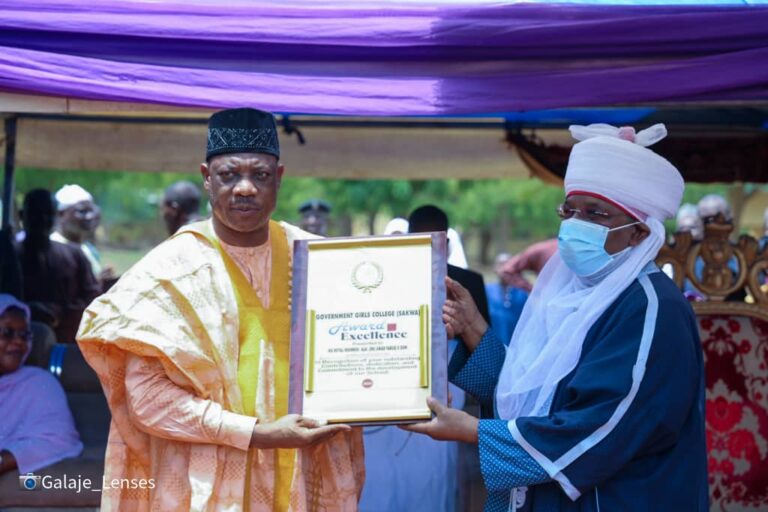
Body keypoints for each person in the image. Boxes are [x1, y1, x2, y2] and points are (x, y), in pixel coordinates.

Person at [405, 123, 708, 511]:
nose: (576, 224)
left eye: (595, 213)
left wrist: (476, 432)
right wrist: (474, 329)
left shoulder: (651, 308)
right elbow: (537, 397)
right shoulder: (571, 293)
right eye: (570, 210)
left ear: (638, 233)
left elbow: (602, 429)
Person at [77, 108, 363, 511]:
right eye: (229, 175)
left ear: (279, 177)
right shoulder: (168, 270)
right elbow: (148, 400)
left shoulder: (322, 259)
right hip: (205, 483)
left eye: (260, 175)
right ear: (206, 178)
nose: (245, 188)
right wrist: (256, 433)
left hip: (306, 472)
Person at [0, 294, 83, 476]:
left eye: (25, 335)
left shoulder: (39, 384)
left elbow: (58, 439)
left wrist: (3, 460)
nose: (19, 341)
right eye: (7, 332)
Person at [15, 189, 100, 343]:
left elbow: (93, 300)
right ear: (22, 216)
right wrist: (27, 309)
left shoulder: (75, 254)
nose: (42, 220)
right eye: (36, 214)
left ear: (55, 216)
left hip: (65, 344)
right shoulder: (9, 256)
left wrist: (60, 313)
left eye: (48, 214)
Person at [409, 205, 490, 324]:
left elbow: (483, 332)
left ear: (446, 244)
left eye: (433, 243)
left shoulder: (470, 283)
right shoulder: (395, 283)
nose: (427, 251)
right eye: (420, 244)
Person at [52, 184, 114, 284]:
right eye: (82, 211)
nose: (89, 217)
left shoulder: (88, 249)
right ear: (61, 214)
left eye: (91, 210)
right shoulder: (52, 248)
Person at [485, 253, 528, 346]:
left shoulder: (522, 293)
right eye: (501, 264)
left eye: (508, 264)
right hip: (492, 345)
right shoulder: (486, 291)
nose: (504, 268)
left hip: (516, 345)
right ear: (494, 268)